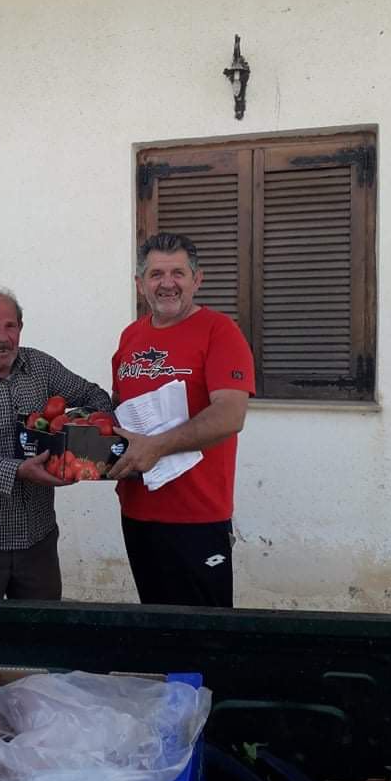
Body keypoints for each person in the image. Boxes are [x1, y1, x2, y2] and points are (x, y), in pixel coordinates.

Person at [108, 233, 255, 608]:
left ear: (197, 279)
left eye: (178, 273)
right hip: (137, 510)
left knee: (204, 631)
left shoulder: (220, 331)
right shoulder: (131, 336)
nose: (167, 283)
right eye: (156, 274)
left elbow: (230, 414)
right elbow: (120, 408)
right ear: (140, 284)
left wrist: (157, 447)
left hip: (197, 515)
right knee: (156, 623)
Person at [0, 288, 112, 600]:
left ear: (20, 328)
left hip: (38, 539)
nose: (3, 338)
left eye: (10, 326)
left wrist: (82, 438)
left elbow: (94, 395)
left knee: (41, 626)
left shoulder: (41, 366)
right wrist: (19, 471)